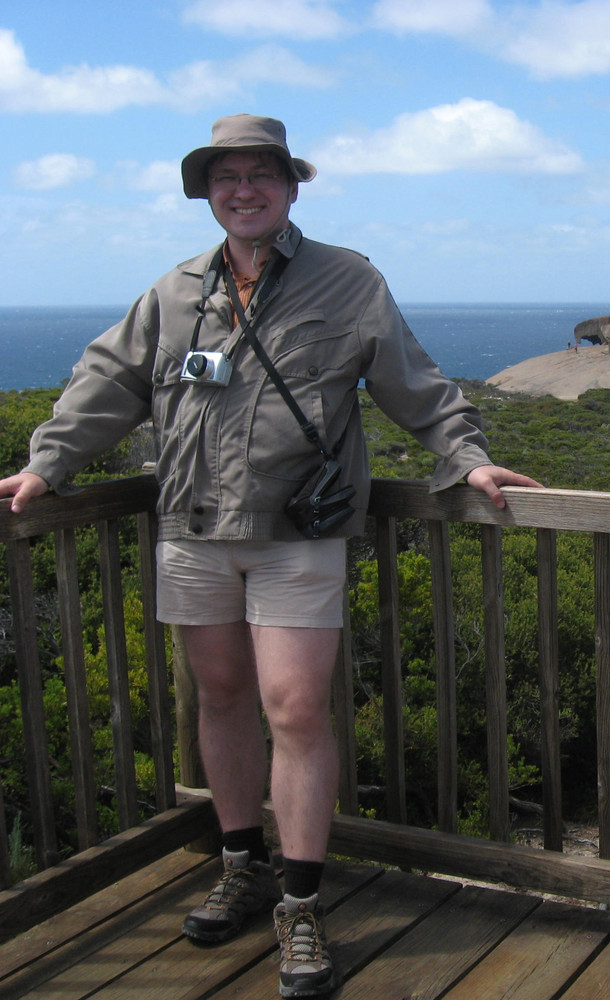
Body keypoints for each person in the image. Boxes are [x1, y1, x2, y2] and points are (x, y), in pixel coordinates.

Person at [0, 114, 541, 999]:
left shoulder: (347, 280)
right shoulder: (175, 291)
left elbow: (413, 382)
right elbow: (108, 382)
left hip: (297, 537)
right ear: (207, 193)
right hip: (192, 532)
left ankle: (300, 901)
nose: (243, 189)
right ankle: (240, 863)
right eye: (226, 177)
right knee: (220, 698)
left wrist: (467, 457)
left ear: (291, 187)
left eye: (260, 174)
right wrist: (45, 466)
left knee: (293, 709)